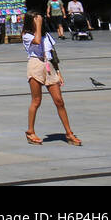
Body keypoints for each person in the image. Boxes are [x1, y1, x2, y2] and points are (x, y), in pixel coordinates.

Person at [22, 12, 81, 146]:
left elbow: (52, 54)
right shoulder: (26, 35)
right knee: (36, 100)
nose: (39, 21)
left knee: (59, 101)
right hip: (35, 65)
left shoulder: (46, 35)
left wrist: (58, 72)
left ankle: (69, 133)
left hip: (49, 66)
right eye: (36, 19)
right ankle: (30, 131)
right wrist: (37, 25)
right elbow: (36, 41)